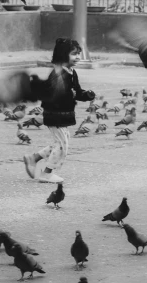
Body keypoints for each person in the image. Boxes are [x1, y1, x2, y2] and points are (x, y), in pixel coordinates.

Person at [23, 38, 95, 183]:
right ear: (63, 55)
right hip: (54, 114)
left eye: (78, 54)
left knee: (60, 144)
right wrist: (70, 95)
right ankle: (46, 173)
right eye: (74, 54)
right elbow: (54, 95)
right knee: (63, 146)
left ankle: (33, 158)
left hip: (63, 115)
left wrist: (86, 95)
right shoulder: (58, 74)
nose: (78, 57)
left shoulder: (71, 72)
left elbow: (76, 91)